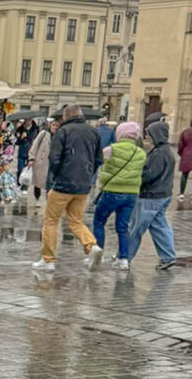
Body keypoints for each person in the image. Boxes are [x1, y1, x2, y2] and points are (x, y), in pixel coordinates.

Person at [32, 105, 104, 272]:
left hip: (63, 185)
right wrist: (88, 175)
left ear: (65, 117)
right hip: (83, 186)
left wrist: (55, 178)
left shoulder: (62, 132)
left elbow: (55, 158)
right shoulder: (93, 132)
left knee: (51, 221)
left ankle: (48, 259)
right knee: (75, 220)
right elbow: (98, 159)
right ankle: (91, 246)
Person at [92, 121, 146, 269]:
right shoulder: (140, 153)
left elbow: (98, 163)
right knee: (123, 227)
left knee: (99, 222)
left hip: (111, 191)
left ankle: (98, 255)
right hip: (131, 194)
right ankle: (123, 259)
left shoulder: (111, 150)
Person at [128, 120, 178, 270]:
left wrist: (137, 178)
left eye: (149, 135)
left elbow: (150, 174)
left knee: (135, 228)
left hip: (152, 195)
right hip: (163, 194)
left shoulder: (160, 153)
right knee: (159, 226)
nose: (147, 137)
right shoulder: (164, 151)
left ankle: (124, 256)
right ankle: (168, 256)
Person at [26, 117, 56, 211]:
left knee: (50, 183)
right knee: (38, 183)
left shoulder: (60, 135)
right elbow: (35, 145)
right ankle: (37, 199)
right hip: (40, 161)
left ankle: (49, 202)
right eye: (53, 125)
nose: (55, 127)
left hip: (52, 163)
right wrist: (31, 158)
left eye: (57, 125)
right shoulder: (43, 133)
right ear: (50, 125)